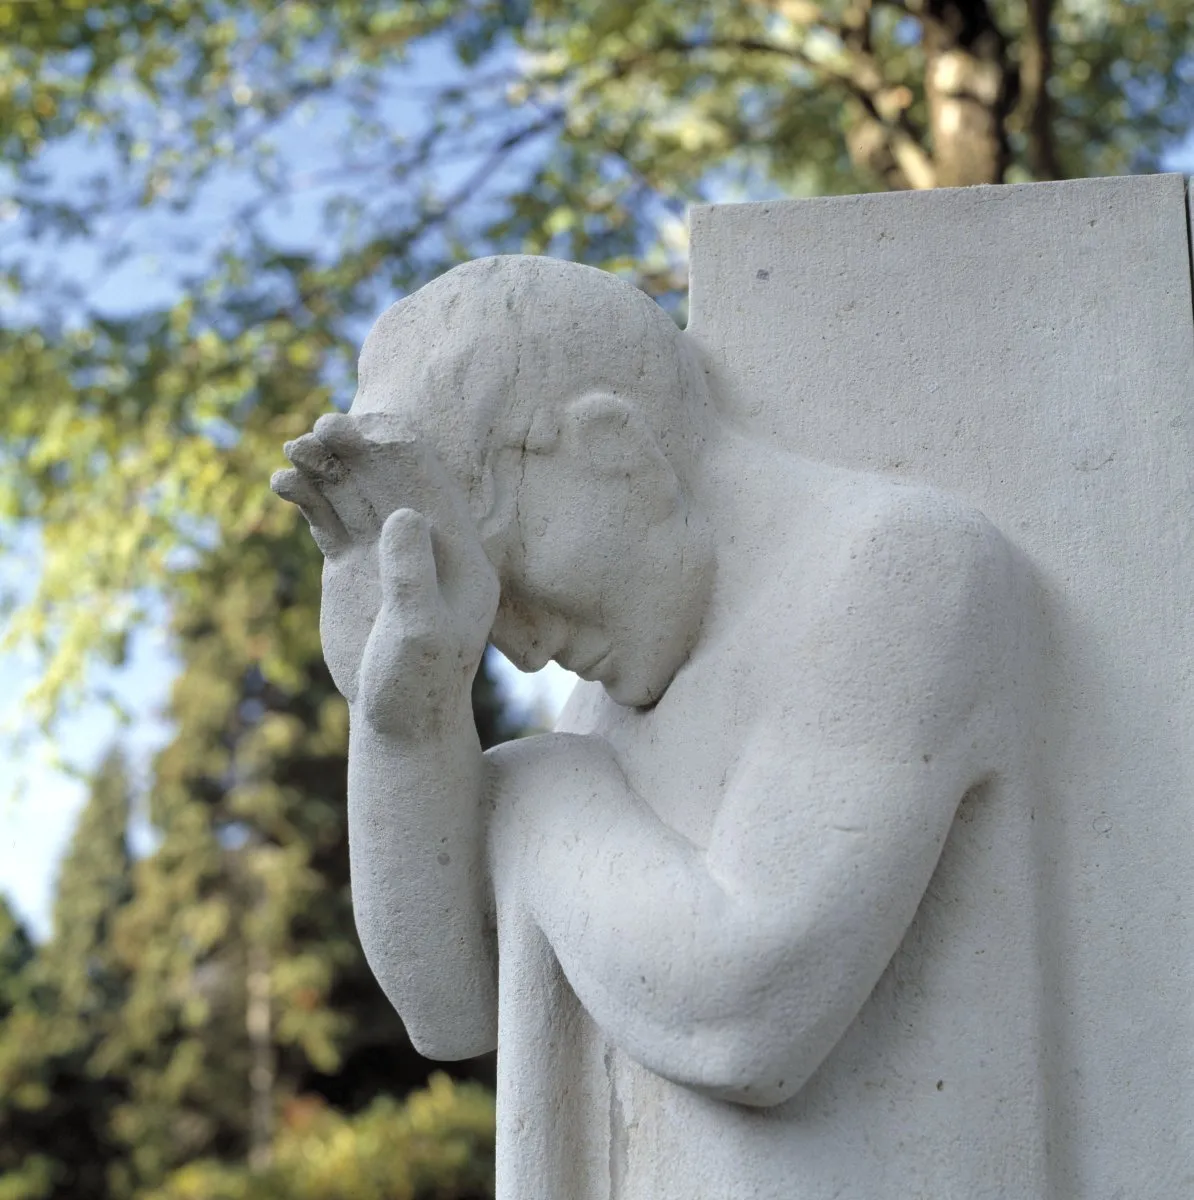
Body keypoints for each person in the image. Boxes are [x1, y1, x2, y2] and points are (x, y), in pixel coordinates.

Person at [271, 255, 1043, 1199]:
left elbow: (748, 1009)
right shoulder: (605, 701)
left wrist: (540, 788)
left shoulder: (898, 568)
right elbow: (449, 1007)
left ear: (611, 449)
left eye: (503, 579)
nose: (508, 646)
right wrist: (404, 725)